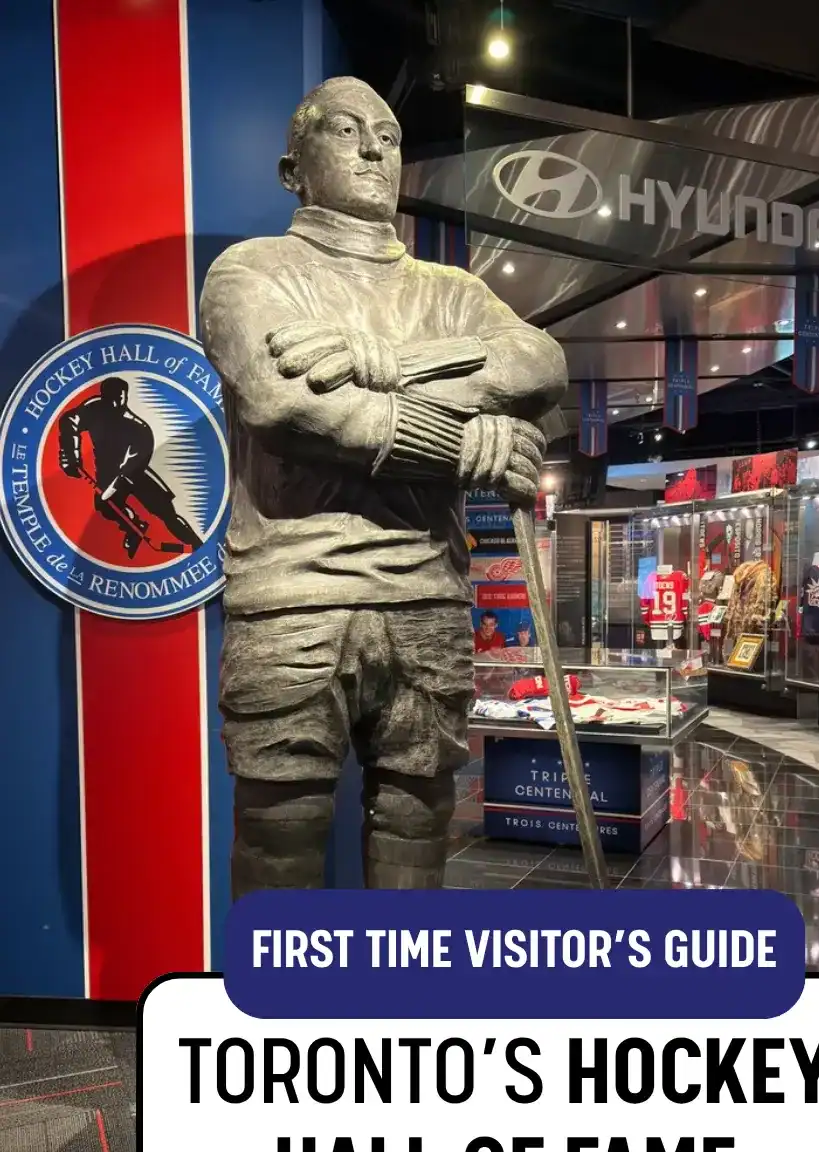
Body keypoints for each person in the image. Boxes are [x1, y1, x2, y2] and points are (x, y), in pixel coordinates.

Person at [199, 76, 566, 894]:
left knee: (418, 815)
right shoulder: (249, 272)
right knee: (278, 828)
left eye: (389, 136)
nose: (372, 148)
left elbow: (542, 365)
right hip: (293, 596)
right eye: (345, 130)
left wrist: (392, 363)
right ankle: (278, 1020)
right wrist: (464, 444)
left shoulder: (454, 293)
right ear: (294, 169)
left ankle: (397, 1006)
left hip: (427, 596)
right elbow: (284, 403)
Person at [58, 377, 203, 557]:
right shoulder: (94, 408)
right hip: (106, 473)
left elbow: (128, 473)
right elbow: (69, 420)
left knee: (166, 512)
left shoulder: (140, 429)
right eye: (112, 397)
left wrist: (108, 492)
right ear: (104, 396)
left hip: (136, 473)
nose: (117, 402)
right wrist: (71, 454)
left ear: (125, 396)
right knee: (105, 506)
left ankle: (198, 545)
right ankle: (134, 526)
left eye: (120, 397)